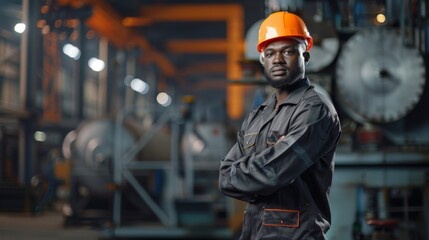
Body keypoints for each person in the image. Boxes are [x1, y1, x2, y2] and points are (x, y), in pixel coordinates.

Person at [219, 11, 341, 239]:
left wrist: (250, 173)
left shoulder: (314, 110)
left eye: (288, 51)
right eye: (270, 53)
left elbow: (272, 175)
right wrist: (266, 165)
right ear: (262, 59)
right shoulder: (259, 114)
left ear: (305, 56)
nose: (278, 60)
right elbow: (226, 177)